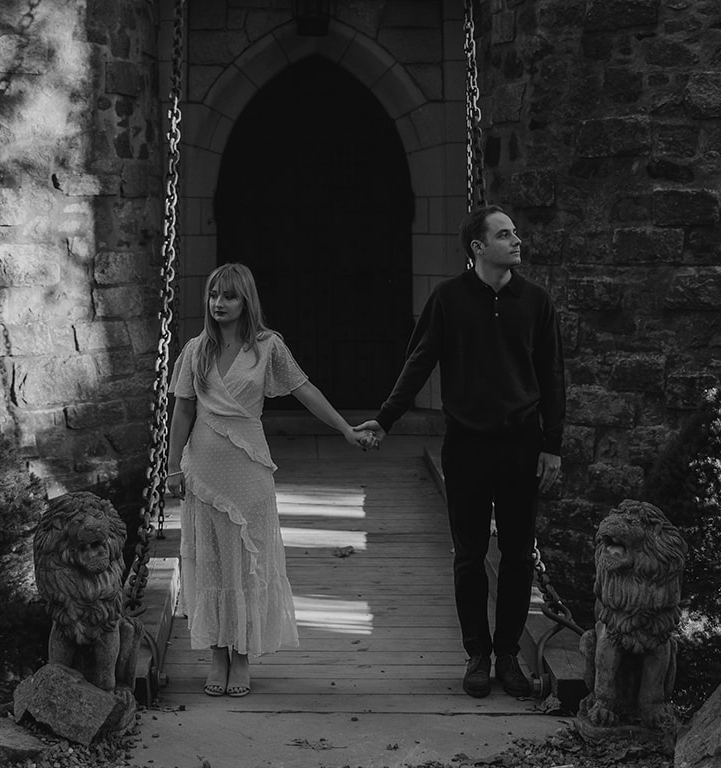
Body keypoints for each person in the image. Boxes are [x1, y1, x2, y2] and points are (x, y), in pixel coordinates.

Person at [355, 204, 565, 701]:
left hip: (521, 446)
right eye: (505, 234)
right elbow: (419, 361)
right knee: (469, 556)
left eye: (515, 233)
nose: (517, 241)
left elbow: (553, 377)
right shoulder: (448, 299)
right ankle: (477, 654)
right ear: (478, 246)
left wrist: (552, 447)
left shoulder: (536, 301)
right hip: (467, 446)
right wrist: (385, 420)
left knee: (516, 556)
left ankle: (509, 655)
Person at [166, 262, 375, 698]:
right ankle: (217, 655)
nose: (219, 304)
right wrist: (171, 467)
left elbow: (305, 390)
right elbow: (183, 410)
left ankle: (241, 657)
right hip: (203, 474)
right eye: (213, 296)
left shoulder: (266, 347)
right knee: (212, 562)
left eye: (229, 296)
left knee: (247, 562)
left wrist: (345, 429)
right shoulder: (195, 349)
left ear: (246, 301)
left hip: (249, 472)